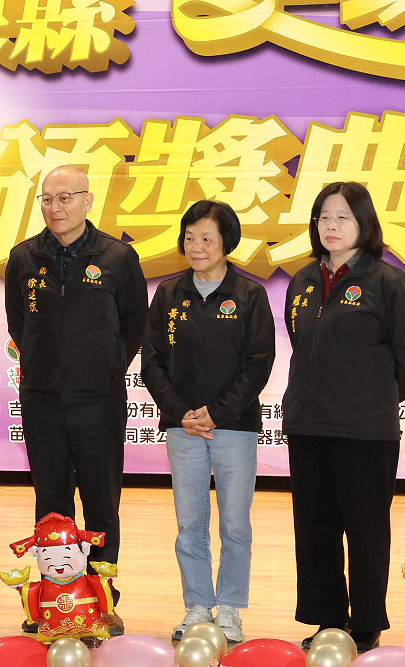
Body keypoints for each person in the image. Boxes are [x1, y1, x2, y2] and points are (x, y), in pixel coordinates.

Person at [284, 181, 405, 653]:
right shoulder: (303, 281)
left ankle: (366, 624)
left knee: (366, 531)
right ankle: (328, 620)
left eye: (343, 216)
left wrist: (376, 398)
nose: (331, 225)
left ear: (364, 223)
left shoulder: (389, 283)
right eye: (323, 217)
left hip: (366, 431)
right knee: (315, 531)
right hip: (308, 425)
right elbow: (302, 344)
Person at [5, 164, 147, 636]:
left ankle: (102, 602)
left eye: (66, 198)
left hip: (98, 402)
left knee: (101, 505)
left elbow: (134, 324)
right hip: (41, 401)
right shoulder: (24, 257)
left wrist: (105, 366)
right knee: (51, 505)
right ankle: (55, 601)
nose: (56, 207)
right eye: (47, 199)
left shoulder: (117, 256)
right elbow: (18, 323)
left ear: (88, 201)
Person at [141, 200, 275, 642]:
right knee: (189, 523)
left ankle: (230, 608)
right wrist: (181, 412)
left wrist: (216, 413)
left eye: (206, 238)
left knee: (235, 523)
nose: (196, 246)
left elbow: (258, 363)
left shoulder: (250, 295)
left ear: (226, 242)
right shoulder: (168, 294)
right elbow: (152, 361)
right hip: (182, 427)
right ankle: (197, 606)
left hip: (233, 427)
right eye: (189, 237)